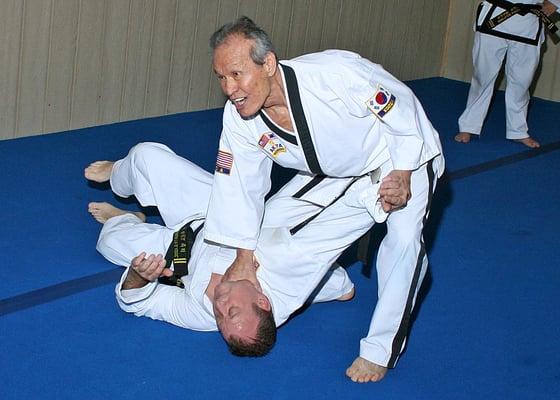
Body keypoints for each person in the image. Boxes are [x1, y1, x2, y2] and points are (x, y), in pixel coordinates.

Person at [204, 17, 445, 383]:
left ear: (268, 64)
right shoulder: (240, 119)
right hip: (336, 171)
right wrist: (243, 258)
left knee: (404, 240)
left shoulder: (334, 73)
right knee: (276, 220)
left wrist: (404, 171)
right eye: (221, 78)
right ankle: (327, 281)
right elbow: (239, 186)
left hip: (399, 152)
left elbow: (403, 109)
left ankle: (381, 349)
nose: (229, 88)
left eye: (236, 74)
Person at [85, 142, 358, 356]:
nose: (220, 306)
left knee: (107, 242)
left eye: (220, 317)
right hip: (213, 210)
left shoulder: (202, 315)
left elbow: (140, 303)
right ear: (262, 301)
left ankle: (128, 218)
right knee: (145, 155)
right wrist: (336, 287)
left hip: (178, 248)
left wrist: (138, 277)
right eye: (233, 311)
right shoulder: (285, 272)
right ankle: (117, 173)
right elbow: (341, 288)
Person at [456, 0, 559, 148]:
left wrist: (555, 3)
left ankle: (518, 131)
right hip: (496, 13)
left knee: (522, 80)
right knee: (483, 75)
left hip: (529, 22)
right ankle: (468, 126)